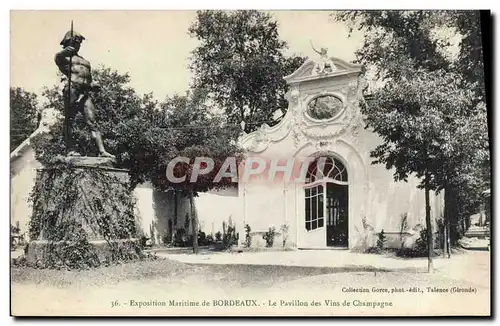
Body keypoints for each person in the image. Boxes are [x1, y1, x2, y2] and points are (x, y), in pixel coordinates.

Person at [54, 30, 115, 158]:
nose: (78, 44)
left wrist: (93, 86)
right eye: (76, 42)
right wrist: (65, 52)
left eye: (79, 43)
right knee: (69, 120)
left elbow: (89, 80)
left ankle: (102, 151)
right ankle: (70, 148)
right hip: (72, 90)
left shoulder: (85, 62)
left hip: (84, 93)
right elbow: (57, 58)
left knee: (93, 122)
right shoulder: (65, 57)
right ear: (68, 42)